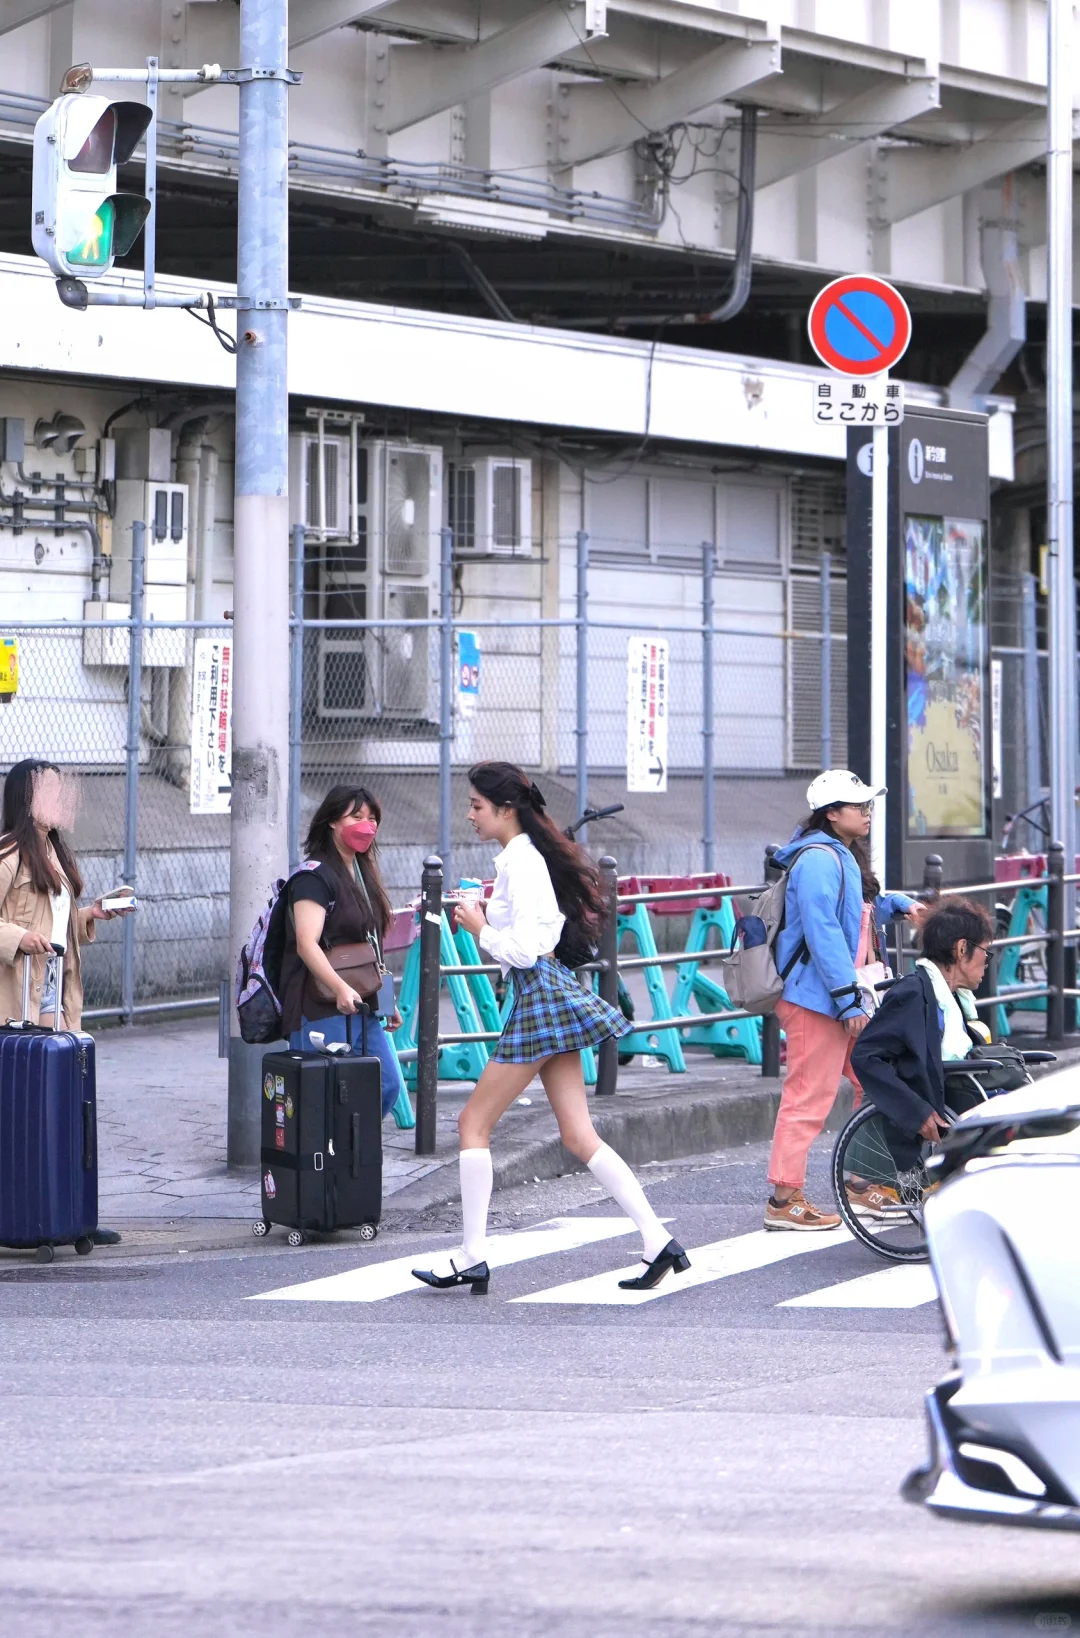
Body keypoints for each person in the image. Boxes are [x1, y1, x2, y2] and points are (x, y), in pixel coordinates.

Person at [411, 760, 689, 1295]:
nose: (470, 815)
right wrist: (485, 914)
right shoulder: (523, 858)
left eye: (476, 805)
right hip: (549, 996)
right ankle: (658, 1240)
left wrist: (480, 927)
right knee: (578, 1135)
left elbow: (528, 948)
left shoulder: (524, 862)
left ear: (505, 809)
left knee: (473, 1123)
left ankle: (473, 1255)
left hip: (539, 996)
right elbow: (535, 932)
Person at [764, 769, 920, 1231]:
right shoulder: (818, 859)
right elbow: (824, 932)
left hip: (838, 994)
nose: (868, 813)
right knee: (809, 1096)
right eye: (859, 807)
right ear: (833, 814)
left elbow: (853, 914)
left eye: (869, 805)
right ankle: (783, 1200)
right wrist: (847, 1000)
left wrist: (895, 906)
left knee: (873, 1081)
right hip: (821, 998)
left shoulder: (838, 854)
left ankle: (862, 1184)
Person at [0, 758, 131, 1246]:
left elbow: (55, 924)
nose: (60, 798)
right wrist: (19, 938)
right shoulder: (10, 854)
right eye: (49, 789)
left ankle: (73, 1208)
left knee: (72, 1105)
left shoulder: (52, 851)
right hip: (20, 998)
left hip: (56, 992)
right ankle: (32, 1210)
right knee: (29, 1111)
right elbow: (20, 928)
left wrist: (90, 914)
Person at [278, 785, 407, 1120]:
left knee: (386, 1086)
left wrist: (386, 1002)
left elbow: (371, 945)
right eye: (356, 816)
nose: (367, 825)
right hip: (320, 1005)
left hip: (362, 1003)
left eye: (371, 818)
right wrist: (338, 988)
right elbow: (307, 943)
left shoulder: (362, 872)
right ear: (332, 821)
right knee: (322, 1098)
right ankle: (327, 1163)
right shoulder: (313, 877)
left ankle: (350, 1155)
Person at [850, 899, 995, 1178]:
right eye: (985, 953)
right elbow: (866, 1055)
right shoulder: (913, 994)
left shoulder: (954, 997)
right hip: (951, 1104)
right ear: (962, 948)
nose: (987, 963)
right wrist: (916, 1113)